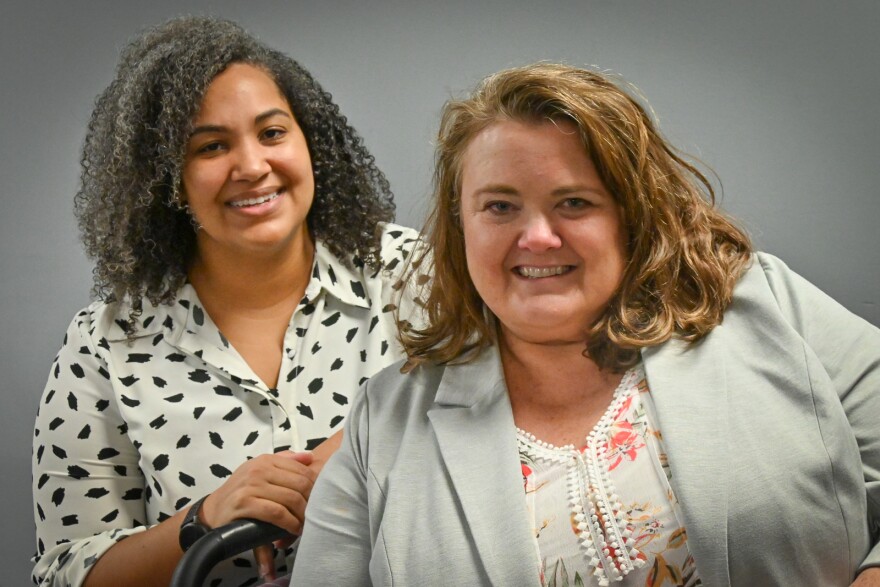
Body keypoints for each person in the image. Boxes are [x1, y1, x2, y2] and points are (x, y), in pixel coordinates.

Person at [291, 63, 880, 586]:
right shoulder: (385, 419)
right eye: (499, 206)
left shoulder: (767, 304)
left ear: (631, 214)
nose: (537, 237)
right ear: (460, 225)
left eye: (574, 202)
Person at [31, 16, 423, 587]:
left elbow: (492, 391)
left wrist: (334, 464)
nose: (252, 166)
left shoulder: (408, 272)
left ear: (310, 142)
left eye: (272, 133)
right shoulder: (105, 346)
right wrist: (205, 518)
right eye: (211, 147)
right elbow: (66, 571)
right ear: (165, 181)